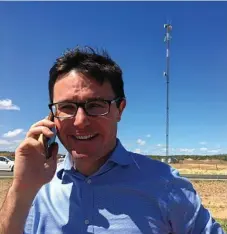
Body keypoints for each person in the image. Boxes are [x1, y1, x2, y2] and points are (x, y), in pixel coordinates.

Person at [0, 46, 225, 234]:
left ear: (120, 109)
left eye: (96, 105)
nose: (79, 121)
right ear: (52, 117)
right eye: (66, 107)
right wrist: (22, 186)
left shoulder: (166, 184)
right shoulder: (37, 189)